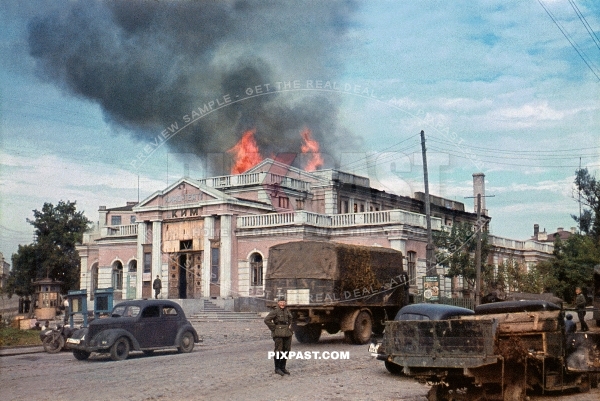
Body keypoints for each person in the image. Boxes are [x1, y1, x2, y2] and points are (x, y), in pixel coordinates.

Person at [264, 297, 293, 376]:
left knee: (286, 350)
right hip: (278, 333)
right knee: (278, 350)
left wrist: (289, 327)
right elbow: (266, 320)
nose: (282, 304)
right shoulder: (275, 311)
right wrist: (274, 328)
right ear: (278, 303)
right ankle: (277, 368)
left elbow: (291, 319)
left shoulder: (287, 311)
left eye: (284, 302)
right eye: (281, 302)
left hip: (287, 333)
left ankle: (283, 367)